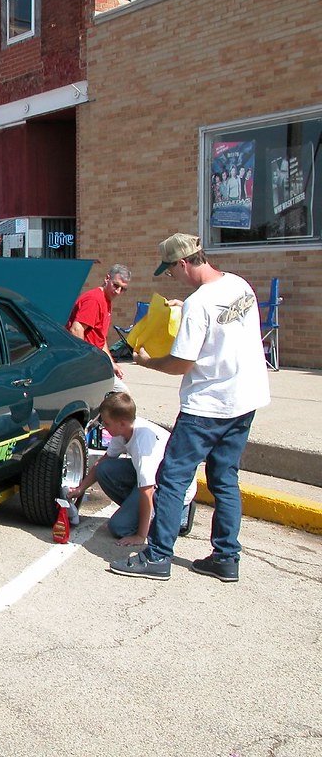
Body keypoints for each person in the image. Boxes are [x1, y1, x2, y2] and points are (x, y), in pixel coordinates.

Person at [110, 233, 269, 582]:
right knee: (225, 479)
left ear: (183, 263)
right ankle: (226, 557)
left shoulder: (199, 304)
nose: (172, 278)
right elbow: (226, 325)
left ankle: (157, 556)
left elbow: (182, 363)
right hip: (245, 399)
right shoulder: (239, 285)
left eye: (170, 271)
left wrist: (147, 362)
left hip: (207, 406)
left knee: (172, 479)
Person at [68, 392, 196, 547]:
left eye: (106, 423)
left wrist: (140, 536)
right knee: (104, 469)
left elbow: (147, 491)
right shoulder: (124, 431)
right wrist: (80, 489)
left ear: (121, 423)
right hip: (153, 479)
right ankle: (140, 515)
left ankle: (178, 513)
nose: (104, 427)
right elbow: (103, 462)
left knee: (119, 527)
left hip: (170, 487)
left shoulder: (143, 447)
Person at [66, 263, 131, 392]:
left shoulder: (106, 301)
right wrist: (85, 362)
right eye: (116, 285)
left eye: (123, 289)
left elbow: (100, 339)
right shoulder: (94, 300)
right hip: (85, 364)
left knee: (114, 397)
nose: (118, 291)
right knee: (121, 394)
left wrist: (112, 364)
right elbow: (76, 329)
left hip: (96, 362)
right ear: (107, 279)